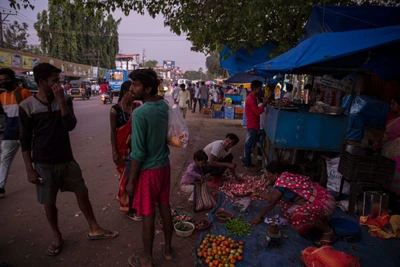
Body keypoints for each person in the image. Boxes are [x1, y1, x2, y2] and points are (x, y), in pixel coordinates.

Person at [19, 63, 119, 256]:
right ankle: (57, 236)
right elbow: (24, 140)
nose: (60, 84)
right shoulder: (27, 106)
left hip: (66, 159)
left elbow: (70, 125)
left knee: (82, 192)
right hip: (43, 163)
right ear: (42, 82)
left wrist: (62, 103)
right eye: (55, 81)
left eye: (60, 80)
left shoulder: (64, 99)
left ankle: (94, 227)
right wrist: (29, 169)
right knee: (49, 201)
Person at [126, 69, 173, 267]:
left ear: (147, 88)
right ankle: (168, 250)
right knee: (164, 207)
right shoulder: (163, 105)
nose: (131, 88)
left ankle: (147, 259)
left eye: (135, 85)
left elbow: (138, 152)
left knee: (147, 215)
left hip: (148, 171)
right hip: (164, 167)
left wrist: (131, 180)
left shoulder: (140, 113)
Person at [249, 161, 336, 246]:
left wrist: (259, 216)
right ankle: (316, 222)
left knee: (299, 215)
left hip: (324, 203)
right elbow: (273, 198)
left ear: (275, 174)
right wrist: (257, 194)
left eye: (268, 174)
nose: (267, 176)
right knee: (288, 210)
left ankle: (328, 231)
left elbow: (271, 202)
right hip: (318, 199)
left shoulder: (282, 181)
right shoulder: (285, 177)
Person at [110, 81, 142, 220]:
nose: (134, 95)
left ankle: (137, 204)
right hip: (122, 150)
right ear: (124, 92)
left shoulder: (138, 107)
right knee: (126, 179)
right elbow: (112, 132)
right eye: (131, 92)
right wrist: (115, 152)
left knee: (136, 177)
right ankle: (130, 209)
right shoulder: (115, 110)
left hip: (136, 149)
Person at [0, 68, 32, 198]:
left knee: (35, 158)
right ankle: (0, 187)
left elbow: (32, 112)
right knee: (4, 160)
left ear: (12, 78)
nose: (3, 82)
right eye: (1, 80)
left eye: (6, 79)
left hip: (24, 134)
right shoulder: (2, 97)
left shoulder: (24, 93)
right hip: (9, 134)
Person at [373, 97, 400, 195]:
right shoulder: (390, 116)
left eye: (393, 104)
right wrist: (379, 142)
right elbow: (384, 131)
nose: (391, 106)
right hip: (389, 150)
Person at [242, 80, 267, 169]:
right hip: (252, 124)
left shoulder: (252, 98)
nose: (261, 90)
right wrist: (263, 105)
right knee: (249, 145)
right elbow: (256, 112)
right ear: (255, 89)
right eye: (260, 89)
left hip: (254, 124)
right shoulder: (251, 99)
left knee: (251, 144)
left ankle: (246, 161)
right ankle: (247, 163)